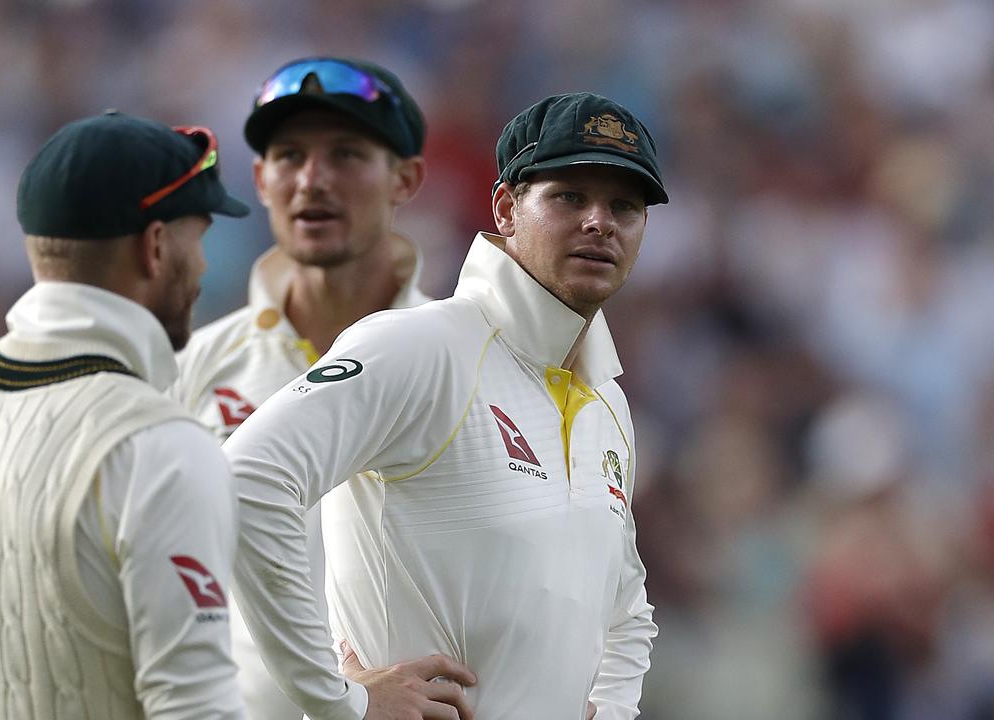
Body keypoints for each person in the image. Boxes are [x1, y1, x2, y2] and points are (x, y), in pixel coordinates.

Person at [225, 92, 666, 719]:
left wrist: (613, 710)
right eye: (570, 196)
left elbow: (626, 604)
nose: (601, 221)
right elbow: (245, 482)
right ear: (507, 209)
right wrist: (339, 698)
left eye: (624, 205)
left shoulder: (608, 405)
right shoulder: (419, 347)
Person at [0, 111, 252, 719]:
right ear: (155, 246)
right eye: (198, 238)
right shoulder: (162, 447)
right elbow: (199, 711)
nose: (201, 267)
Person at [170, 57, 453, 720]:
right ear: (262, 180)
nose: (313, 180)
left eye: (348, 154)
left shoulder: (465, 358)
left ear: (405, 179)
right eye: (289, 155)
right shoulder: (192, 371)